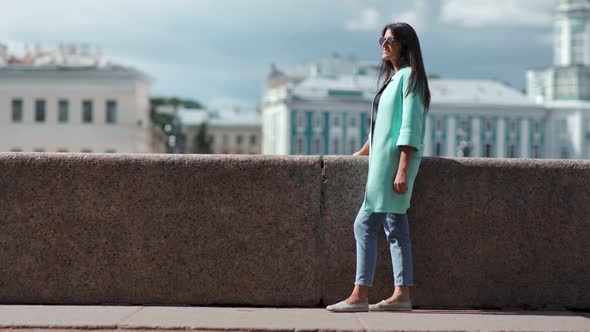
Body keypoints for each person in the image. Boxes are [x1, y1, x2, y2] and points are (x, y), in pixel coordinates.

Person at [326, 22, 431, 312]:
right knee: (395, 227)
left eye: (390, 39)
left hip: (391, 166)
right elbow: (381, 127)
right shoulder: (395, 80)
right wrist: (362, 151)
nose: (383, 44)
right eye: (381, 39)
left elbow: (409, 127)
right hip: (382, 163)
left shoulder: (410, 78)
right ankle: (402, 294)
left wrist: (402, 169)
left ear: (405, 45)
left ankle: (360, 295)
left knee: (365, 224)